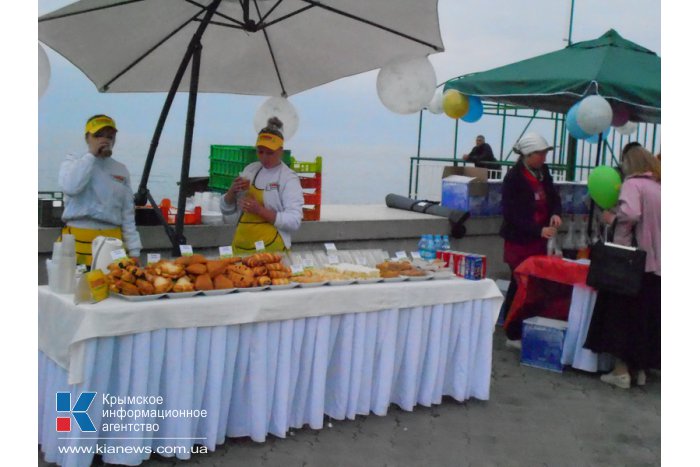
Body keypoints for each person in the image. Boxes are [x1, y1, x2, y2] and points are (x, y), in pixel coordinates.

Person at [585, 146, 661, 389]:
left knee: (620, 318)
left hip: (631, 264)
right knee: (644, 320)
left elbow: (631, 213)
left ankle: (620, 371)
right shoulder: (660, 187)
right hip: (656, 265)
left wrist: (612, 219)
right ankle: (639, 370)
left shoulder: (633, 184)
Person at [499, 133, 562, 341]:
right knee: (519, 285)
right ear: (527, 155)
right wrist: (537, 230)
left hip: (539, 240)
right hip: (520, 240)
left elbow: (553, 196)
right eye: (540, 154)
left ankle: (527, 326)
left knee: (535, 286)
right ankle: (512, 331)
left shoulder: (543, 172)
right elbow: (512, 214)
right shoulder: (513, 178)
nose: (544, 158)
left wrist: (555, 213)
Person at [59, 114, 142, 266]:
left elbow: (128, 214)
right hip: (78, 236)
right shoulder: (74, 160)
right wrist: (91, 155)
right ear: (87, 138)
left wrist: (134, 250)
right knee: (76, 286)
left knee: (113, 285)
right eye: (98, 135)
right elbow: (70, 187)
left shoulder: (120, 169)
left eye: (110, 136)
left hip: (113, 239)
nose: (104, 140)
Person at [220, 117, 303, 253]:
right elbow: (228, 214)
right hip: (240, 248)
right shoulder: (250, 170)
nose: (264, 157)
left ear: (281, 151)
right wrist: (231, 193)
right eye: (260, 151)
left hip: (272, 250)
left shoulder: (288, 178)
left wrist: (259, 210)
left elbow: (294, 221)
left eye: (270, 153)